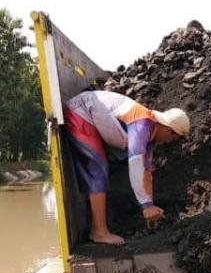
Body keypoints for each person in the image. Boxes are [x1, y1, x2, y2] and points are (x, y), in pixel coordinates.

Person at [63, 90, 190, 245]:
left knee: (103, 167)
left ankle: (96, 229)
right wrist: (145, 206)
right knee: (98, 170)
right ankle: (100, 232)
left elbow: (146, 169)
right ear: (168, 130)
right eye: (173, 137)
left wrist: (149, 203)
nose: (169, 141)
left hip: (91, 114)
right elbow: (135, 164)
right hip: (79, 112)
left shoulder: (150, 136)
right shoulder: (142, 124)